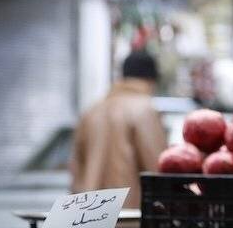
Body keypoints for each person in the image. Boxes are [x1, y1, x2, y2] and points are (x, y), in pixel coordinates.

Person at [70, 51, 168, 208]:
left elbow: (76, 172)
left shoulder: (92, 111)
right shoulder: (145, 110)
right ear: (152, 79)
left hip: (89, 216)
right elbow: (157, 170)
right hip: (130, 215)